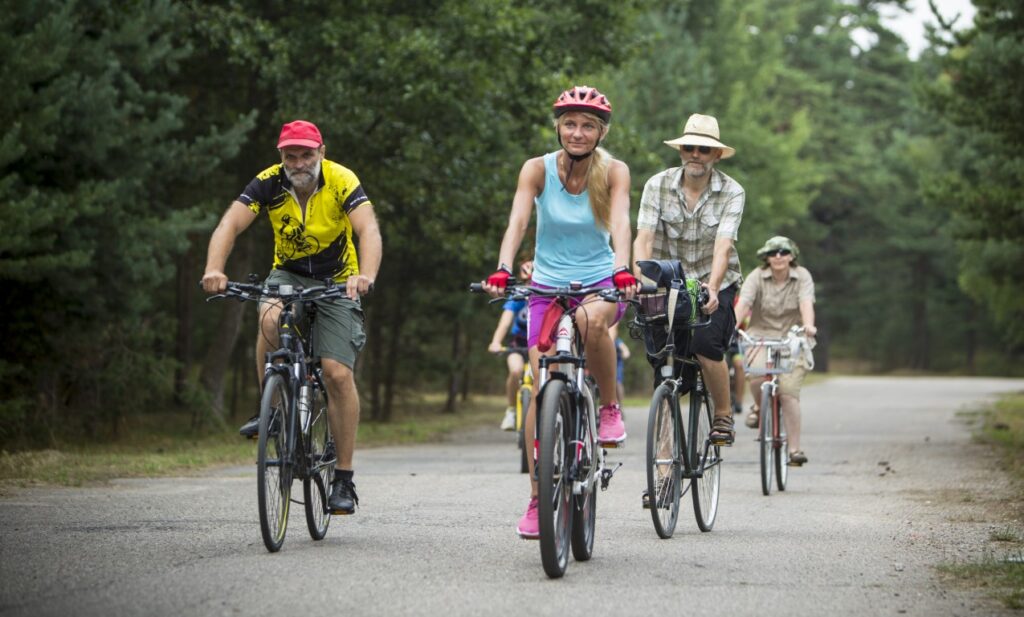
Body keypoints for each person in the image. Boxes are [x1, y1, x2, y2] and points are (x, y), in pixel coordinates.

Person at [201, 120, 382, 515]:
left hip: (338, 279)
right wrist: (215, 268)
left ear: (321, 152)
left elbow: (368, 229)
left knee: (336, 373)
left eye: (306, 154)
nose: (299, 163)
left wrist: (364, 275)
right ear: (281, 158)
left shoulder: (341, 180)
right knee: (268, 318)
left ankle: (344, 481)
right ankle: (274, 411)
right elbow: (229, 224)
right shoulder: (268, 182)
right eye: (290, 156)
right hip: (289, 273)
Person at [481, 86, 637, 538]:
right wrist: (504, 266)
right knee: (540, 384)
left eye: (588, 125)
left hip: (600, 282)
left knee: (591, 324)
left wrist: (623, 268)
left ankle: (608, 408)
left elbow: (623, 220)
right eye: (570, 123)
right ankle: (536, 498)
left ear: (601, 131)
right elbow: (518, 221)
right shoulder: (537, 169)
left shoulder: (614, 171)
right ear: (558, 127)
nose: (578, 132)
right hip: (545, 288)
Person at [633, 113, 745, 446]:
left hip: (716, 282)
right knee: (664, 363)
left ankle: (723, 415)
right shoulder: (657, 184)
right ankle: (664, 472)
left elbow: (723, 247)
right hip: (669, 282)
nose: (695, 154)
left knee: (705, 343)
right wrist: (641, 279)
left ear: (717, 155)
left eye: (704, 149)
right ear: (681, 151)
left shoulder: (732, 192)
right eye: (689, 147)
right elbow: (644, 238)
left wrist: (712, 286)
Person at [734, 236, 816, 466]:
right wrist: (731, 325)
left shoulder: (802, 277)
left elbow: (806, 303)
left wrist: (808, 326)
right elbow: (744, 304)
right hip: (761, 336)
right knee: (756, 374)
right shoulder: (756, 277)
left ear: (791, 256)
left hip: (793, 338)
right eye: (772, 253)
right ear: (766, 258)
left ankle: (795, 450)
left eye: (783, 252)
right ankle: (760, 407)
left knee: (788, 392)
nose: (778, 256)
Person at [487, 260, 534, 431]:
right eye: (527, 282)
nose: (530, 286)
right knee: (515, 371)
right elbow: (505, 322)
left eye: (534, 282)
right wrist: (496, 342)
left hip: (540, 345)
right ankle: (512, 410)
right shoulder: (518, 296)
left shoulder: (547, 296)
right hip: (518, 344)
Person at [608, 322, 631, 403]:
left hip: (617, 364)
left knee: (618, 382)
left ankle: (620, 401)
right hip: (608, 365)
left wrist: (625, 353)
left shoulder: (617, 341)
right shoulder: (605, 341)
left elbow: (625, 350)